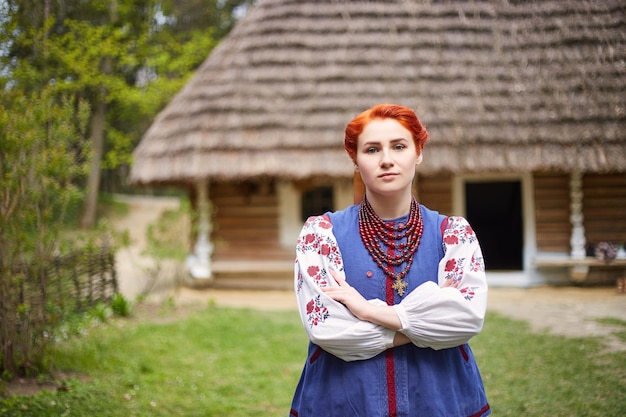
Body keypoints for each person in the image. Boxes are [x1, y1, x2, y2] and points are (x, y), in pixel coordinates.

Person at [289, 104, 490, 417]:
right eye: (371, 150)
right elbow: (328, 330)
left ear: (418, 152)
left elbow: (466, 319)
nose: (386, 160)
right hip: (344, 399)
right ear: (355, 160)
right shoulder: (321, 233)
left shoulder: (454, 234)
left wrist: (367, 311)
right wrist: (425, 323)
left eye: (399, 146)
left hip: (441, 398)